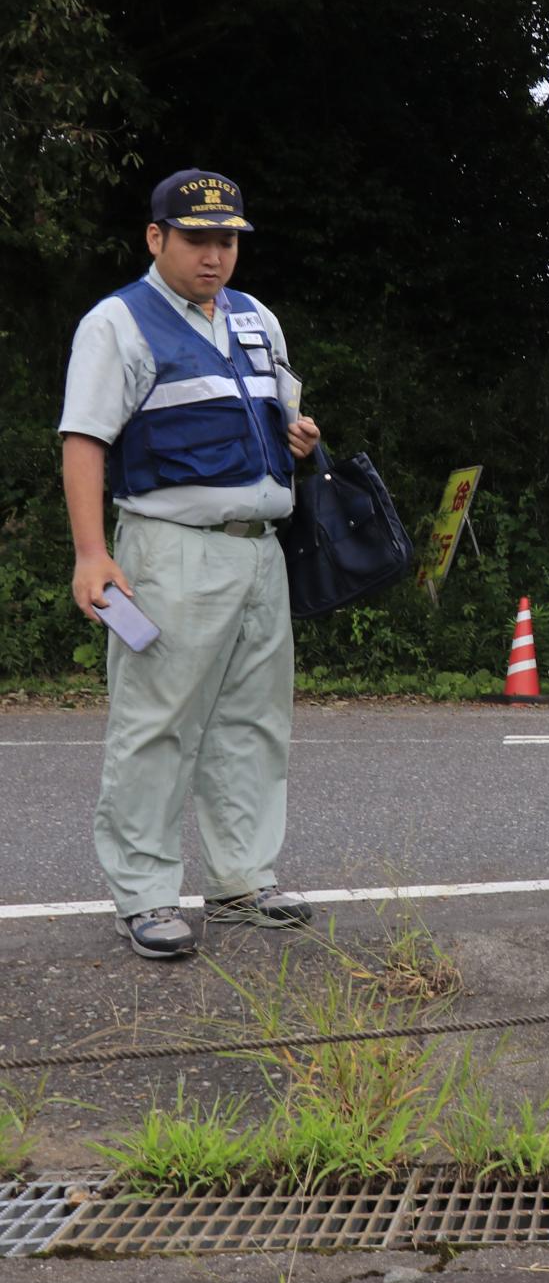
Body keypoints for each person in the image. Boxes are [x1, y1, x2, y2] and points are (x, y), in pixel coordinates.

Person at [59, 169, 321, 959]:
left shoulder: (255, 318)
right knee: (158, 721)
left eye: (228, 239)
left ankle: (243, 878)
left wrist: (297, 437)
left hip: (259, 548)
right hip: (169, 551)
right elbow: (84, 439)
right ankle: (143, 894)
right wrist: (92, 554)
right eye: (198, 238)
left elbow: (273, 413)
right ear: (157, 238)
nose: (215, 255)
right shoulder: (118, 322)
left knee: (253, 720)